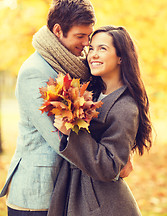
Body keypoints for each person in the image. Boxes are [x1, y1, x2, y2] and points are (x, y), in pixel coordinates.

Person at [0, 0, 132, 215]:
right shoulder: (36, 72)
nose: (86, 44)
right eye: (80, 36)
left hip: (65, 192)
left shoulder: (72, 67)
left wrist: (120, 151)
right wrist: (114, 162)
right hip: (37, 194)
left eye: (89, 36)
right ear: (58, 31)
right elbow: (60, 137)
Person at [47, 26, 153, 216]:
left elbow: (110, 166)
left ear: (121, 57)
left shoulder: (126, 107)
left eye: (102, 49)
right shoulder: (91, 92)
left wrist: (70, 132)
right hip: (72, 190)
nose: (93, 55)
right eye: (92, 49)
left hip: (101, 203)